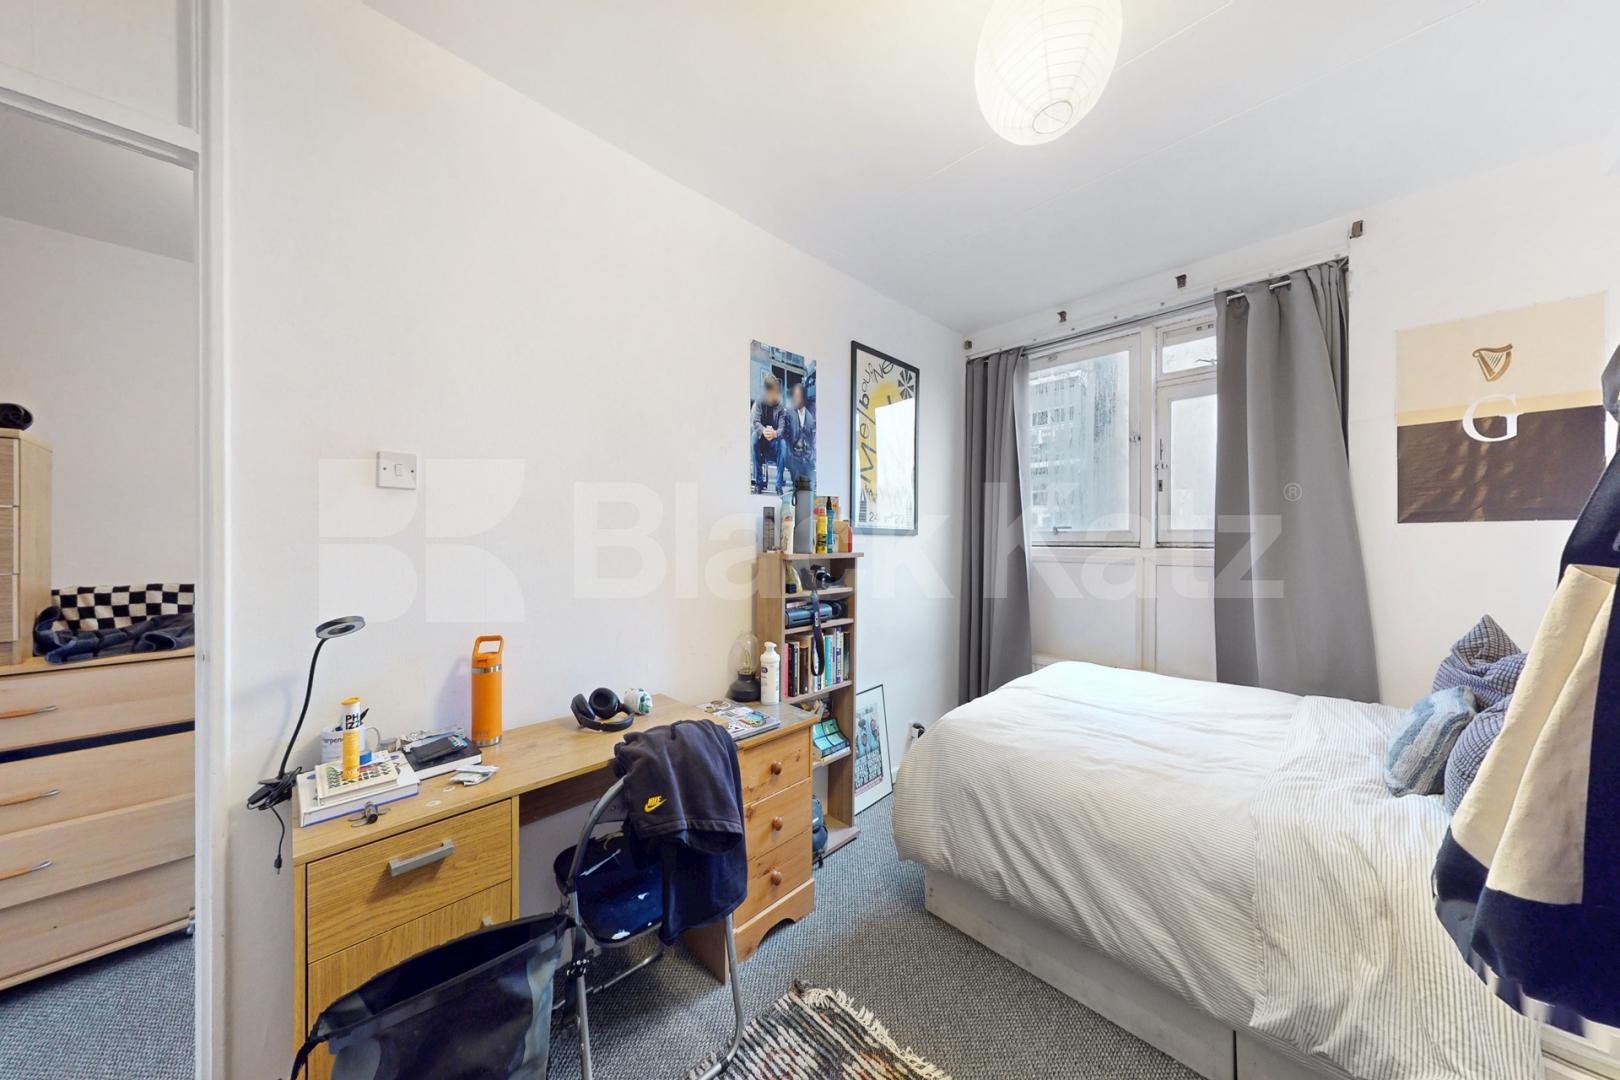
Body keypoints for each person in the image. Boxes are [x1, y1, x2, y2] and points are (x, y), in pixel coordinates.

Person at [751, 373, 786, 493]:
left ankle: (779, 485)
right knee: (754, 437)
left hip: (774, 445)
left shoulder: (780, 406)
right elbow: (756, 421)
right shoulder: (760, 402)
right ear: (767, 391)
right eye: (773, 391)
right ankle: (759, 483)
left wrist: (775, 433)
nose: (776, 394)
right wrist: (763, 430)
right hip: (762, 443)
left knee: (783, 444)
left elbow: (783, 428)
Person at [784, 379, 816, 488]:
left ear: (804, 397)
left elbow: (813, 441)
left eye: (798, 395)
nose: (796, 398)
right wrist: (791, 456)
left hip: (807, 460)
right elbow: (785, 437)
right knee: (797, 491)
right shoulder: (788, 414)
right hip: (794, 459)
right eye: (794, 396)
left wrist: (811, 455)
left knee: (811, 489)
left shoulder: (811, 418)